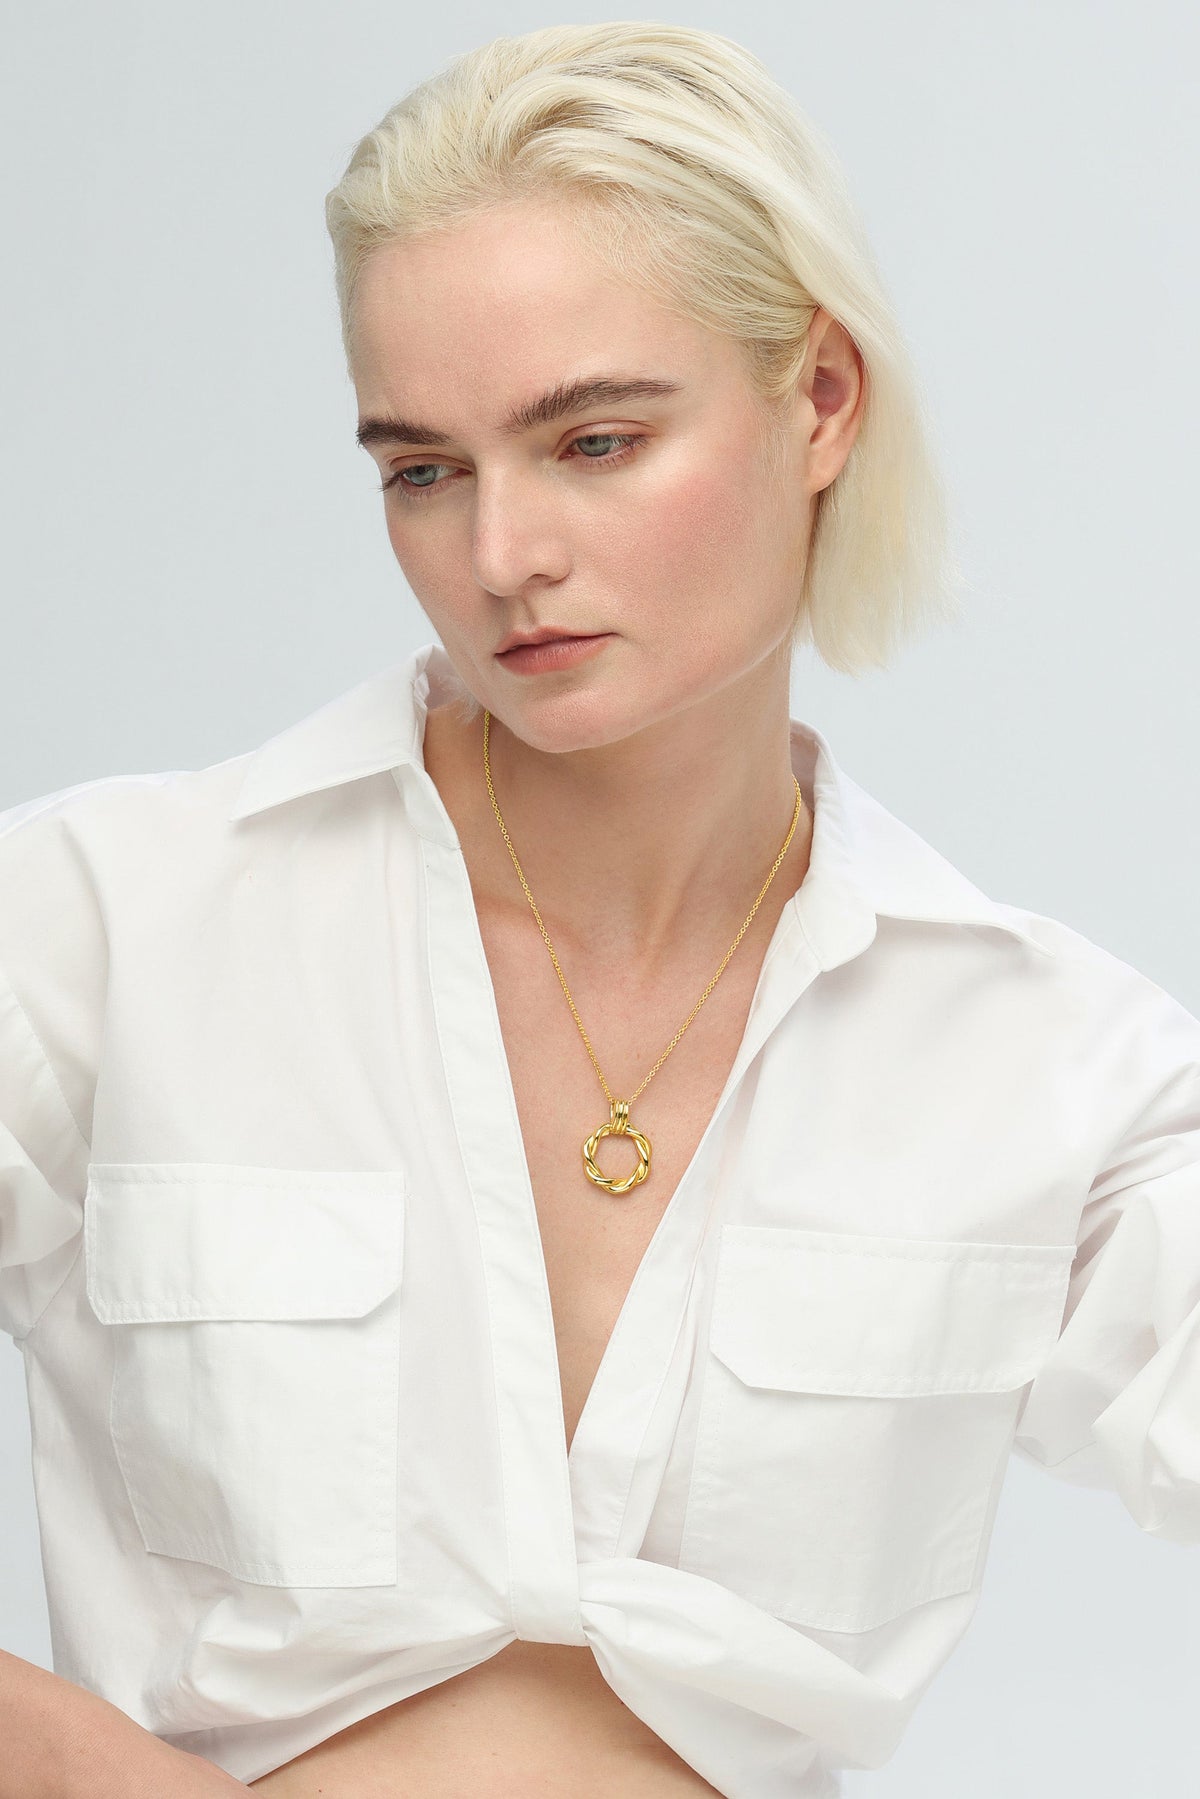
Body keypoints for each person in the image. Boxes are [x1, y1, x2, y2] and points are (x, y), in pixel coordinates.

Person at [1, 21, 1196, 1799]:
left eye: (596, 441)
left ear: (822, 401)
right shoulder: (104, 929)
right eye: (422, 470)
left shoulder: (1047, 1067)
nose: (502, 557)